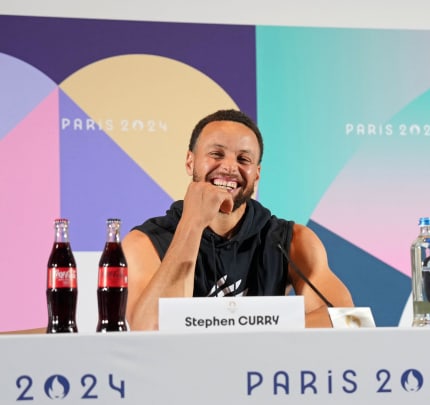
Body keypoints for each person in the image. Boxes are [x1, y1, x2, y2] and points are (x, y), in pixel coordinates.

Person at [124, 109, 353, 330]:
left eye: (244, 159)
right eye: (216, 154)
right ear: (189, 162)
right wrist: (192, 224)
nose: (230, 167)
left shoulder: (292, 241)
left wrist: (242, 328)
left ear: (257, 174)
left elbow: (349, 320)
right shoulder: (144, 243)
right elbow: (152, 329)